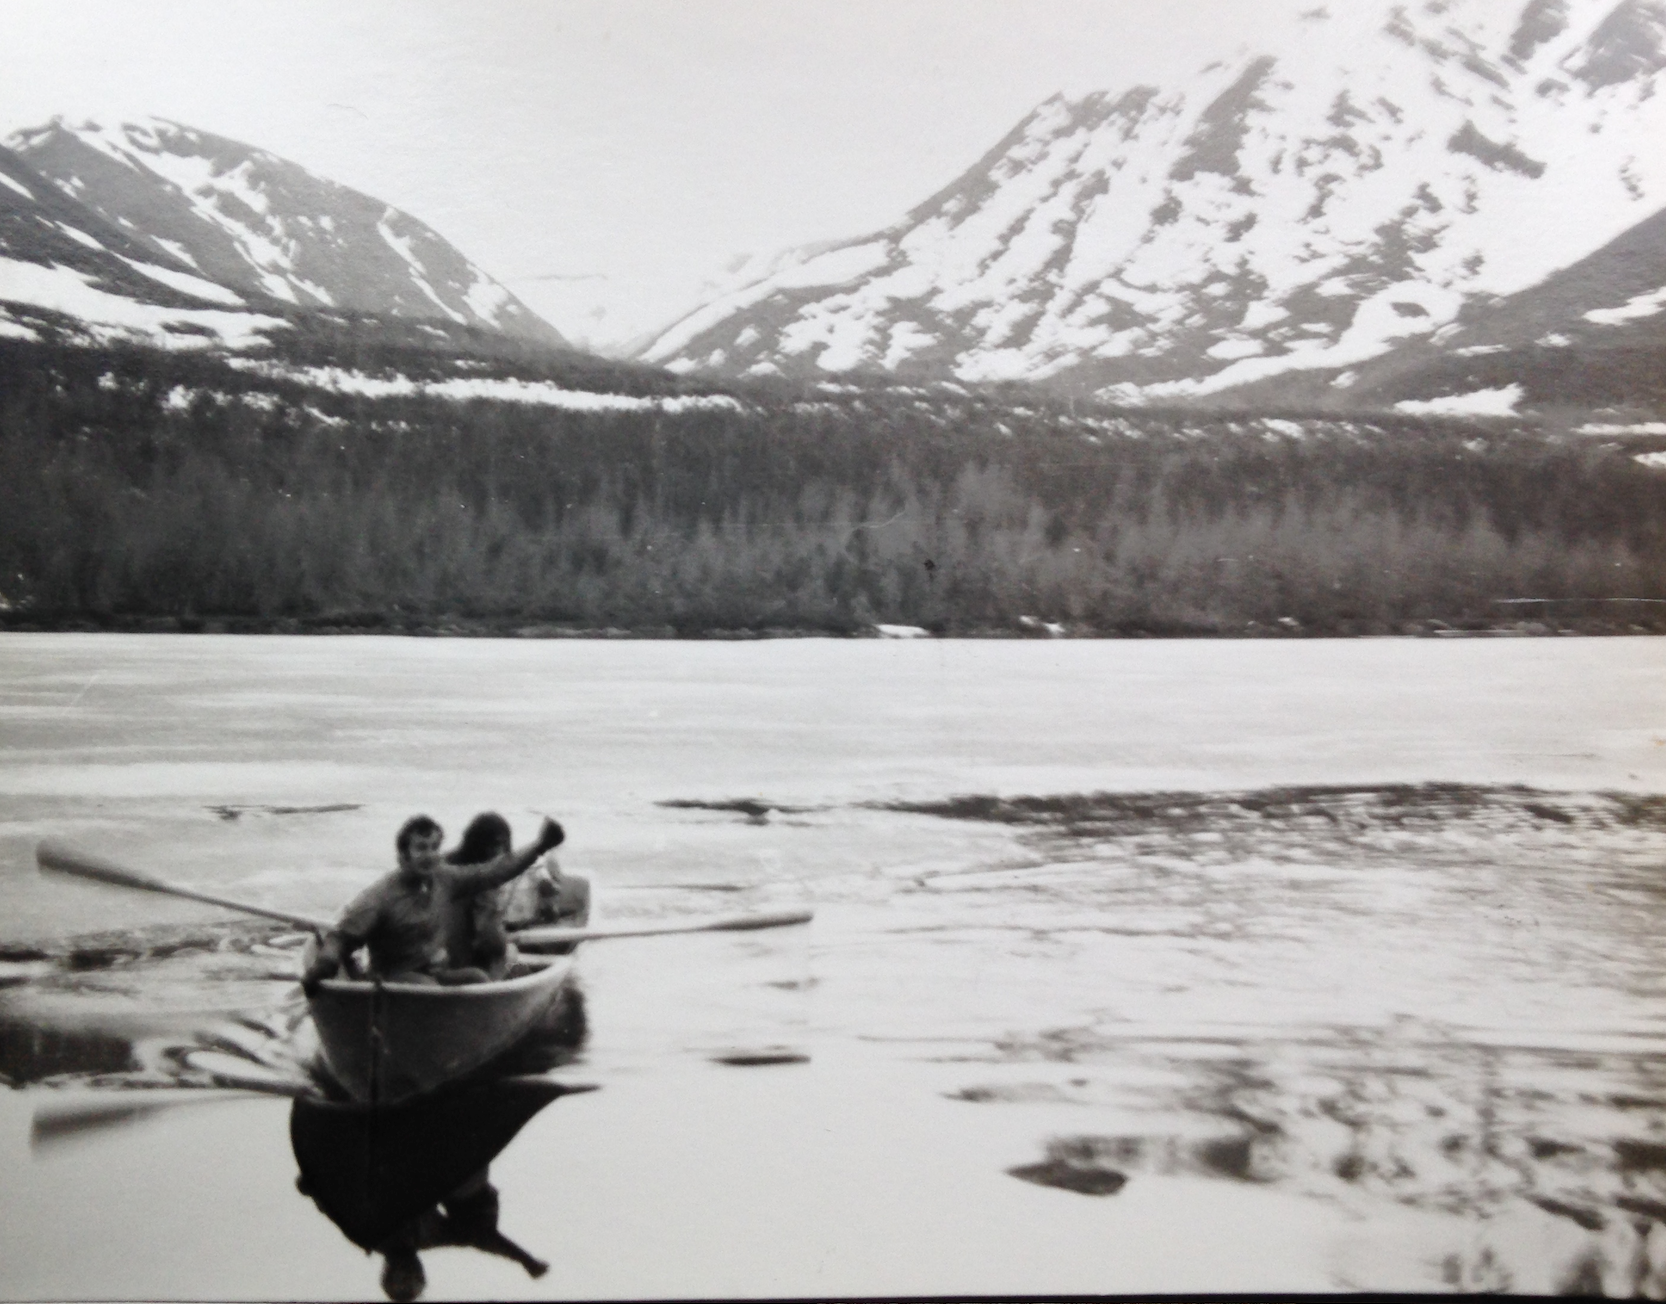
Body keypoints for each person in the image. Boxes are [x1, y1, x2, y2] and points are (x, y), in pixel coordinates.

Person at [302, 813, 563, 991]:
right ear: (403, 855)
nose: (429, 856)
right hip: (394, 979)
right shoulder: (380, 896)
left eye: (434, 848)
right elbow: (341, 937)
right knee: (429, 989)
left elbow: (492, 873)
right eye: (420, 848)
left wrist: (539, 846)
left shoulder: (443, 878)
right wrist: (325, 964)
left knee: (478, 978)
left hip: (436, 973)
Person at [445, 812, 590, 977]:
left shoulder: (445, 868)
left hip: (441, 959)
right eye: (496, 846)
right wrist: (505, 945)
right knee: (512, 955)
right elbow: (489, 940)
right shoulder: (480, 882)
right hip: (469, 963)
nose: (498, 852)